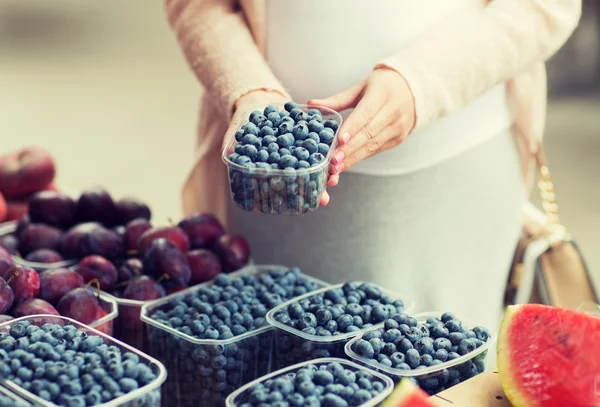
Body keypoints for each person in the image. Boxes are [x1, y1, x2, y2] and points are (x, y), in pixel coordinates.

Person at [166, 0, 581, 336]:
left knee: (446, 369)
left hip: (454, 180)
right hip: (272, 190)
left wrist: (421, 82)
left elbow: (546, 6)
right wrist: (249, 89)